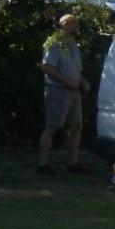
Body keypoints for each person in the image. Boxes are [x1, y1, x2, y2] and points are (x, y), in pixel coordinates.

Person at [37, 14, 90, 174]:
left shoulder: (72, 43)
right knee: (52, 127)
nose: (77, 28)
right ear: (65, 25)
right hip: (58, 91)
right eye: (74, 24)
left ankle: (72, 163)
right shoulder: (54, 43)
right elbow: (46, 67)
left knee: (77, 125)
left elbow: (76, 67)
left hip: (74, 92)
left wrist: (82, 81)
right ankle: (42, 164)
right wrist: (67, 81)